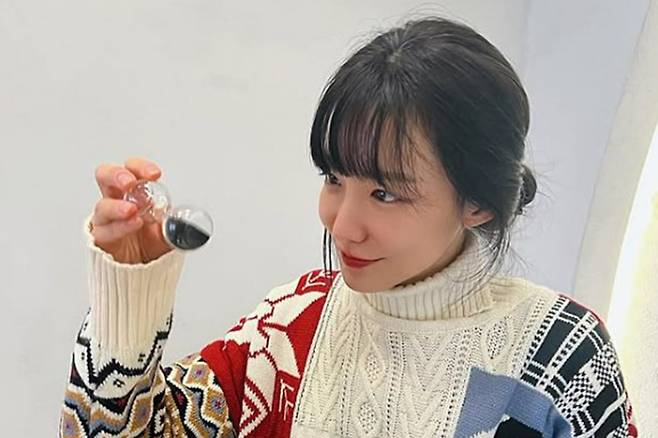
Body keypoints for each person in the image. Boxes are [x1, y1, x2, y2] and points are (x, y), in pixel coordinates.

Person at [58, 16, 638, 438]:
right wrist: (128, 295)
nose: (343, 224)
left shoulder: (560, 355)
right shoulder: (290, 330)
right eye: (335, 179)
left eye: (385, 193)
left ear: (478, 204)